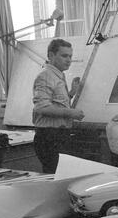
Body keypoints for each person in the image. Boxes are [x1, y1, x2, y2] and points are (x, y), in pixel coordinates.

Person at [32, 39, 85, 173]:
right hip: (49, 137)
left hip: (58, 136)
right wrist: (70, 113)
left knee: (61, 174)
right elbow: (41, 108)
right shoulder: (45, 76)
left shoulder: (58, 75)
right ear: (51, 55)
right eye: (64, 56)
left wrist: (71, 93)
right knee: (55, 176)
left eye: (70, 56)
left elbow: (55, 101)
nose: (68, 60)